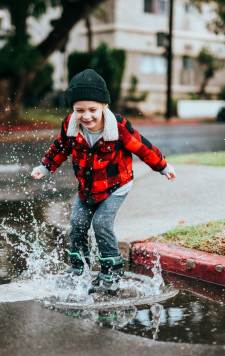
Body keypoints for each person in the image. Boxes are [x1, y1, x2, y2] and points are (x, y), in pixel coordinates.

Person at [31, 69, 176, 291]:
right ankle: (78, 269)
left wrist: (163, 167)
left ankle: (111, 272)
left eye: (92, 110)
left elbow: (143, 147)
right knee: (77, 224)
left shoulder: (118, 127)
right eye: (80, 110)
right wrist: (45, 167)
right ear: (73, 109)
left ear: (104, 107)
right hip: (87, 189)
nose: (86, 116)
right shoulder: (70, 125)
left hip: (116, 186)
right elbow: (60, 147)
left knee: (101, 223)